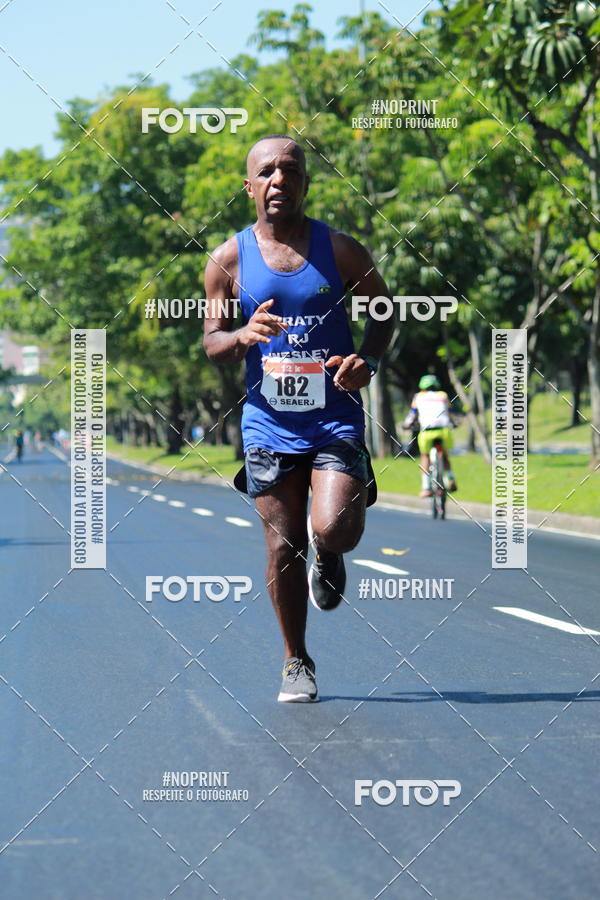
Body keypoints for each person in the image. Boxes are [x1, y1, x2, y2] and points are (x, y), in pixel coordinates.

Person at [204, 134, 394, 702]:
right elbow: (212, 340)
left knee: (334, 528)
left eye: (290, 170)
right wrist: (241, 335)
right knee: (283, 546)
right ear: (249, 186)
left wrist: (370, 359)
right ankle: (296, 661)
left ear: (306, 181)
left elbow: (383, 313)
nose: (279, 180)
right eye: (267, 172)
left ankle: (330, 551)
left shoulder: (340, 250)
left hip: (334, 413)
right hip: (268, 422)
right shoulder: (228, 260)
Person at [403, 374, 457, 497]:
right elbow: (449, 414)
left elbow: (412, 415)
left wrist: (406, 425)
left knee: (425, 456)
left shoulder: (418, 397)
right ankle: (451, 478)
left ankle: (426, 487)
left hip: (426, 432)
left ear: (422, 387)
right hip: (443, 430)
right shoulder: (443, 395)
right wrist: (454, 423)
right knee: (445, 455)